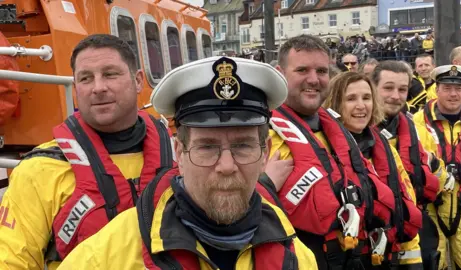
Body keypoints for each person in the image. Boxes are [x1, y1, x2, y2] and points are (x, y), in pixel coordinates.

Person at [57, 56, 317, 269]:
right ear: (179, 153)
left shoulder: (299, 260)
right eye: (206, 147)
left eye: (243, 146)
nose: (226, 166)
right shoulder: (104, 259)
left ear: (265, 153)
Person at [0, 34, 175, 269]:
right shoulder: (39, 170)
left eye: (110, 74)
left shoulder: (183, 157)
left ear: (138, 80)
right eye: (86, 78)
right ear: (75, 88)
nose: (98, 88)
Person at [269, 34, 396, 269]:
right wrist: (262, 183)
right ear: (280, 73)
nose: (313, 79)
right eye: (302, 70)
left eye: (321, 71)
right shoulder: (261, 136)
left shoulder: (337, 128)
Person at [323, 72, 423, 269]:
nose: (361, 106)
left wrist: (413, 262)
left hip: (385, 257)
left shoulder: (385, 149)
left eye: (367, 98)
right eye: (351, 98)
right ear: (334, 103)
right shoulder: (323, 150)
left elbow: (404, 202)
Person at [372, 61, 449, 270]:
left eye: (402, 89)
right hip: (375, 237)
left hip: (414, 229)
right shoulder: (354, 132)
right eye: (388, 88)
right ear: (372, 88)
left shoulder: (417, 129)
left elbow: (438, 178)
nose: (396, 96)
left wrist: (433, 168)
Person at [413, 65, 461, 270]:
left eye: (458, 88)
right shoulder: (416, 122)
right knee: (433, 263)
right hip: (430, 209)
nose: (453, 94)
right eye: (447, 87)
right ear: (437, 89)